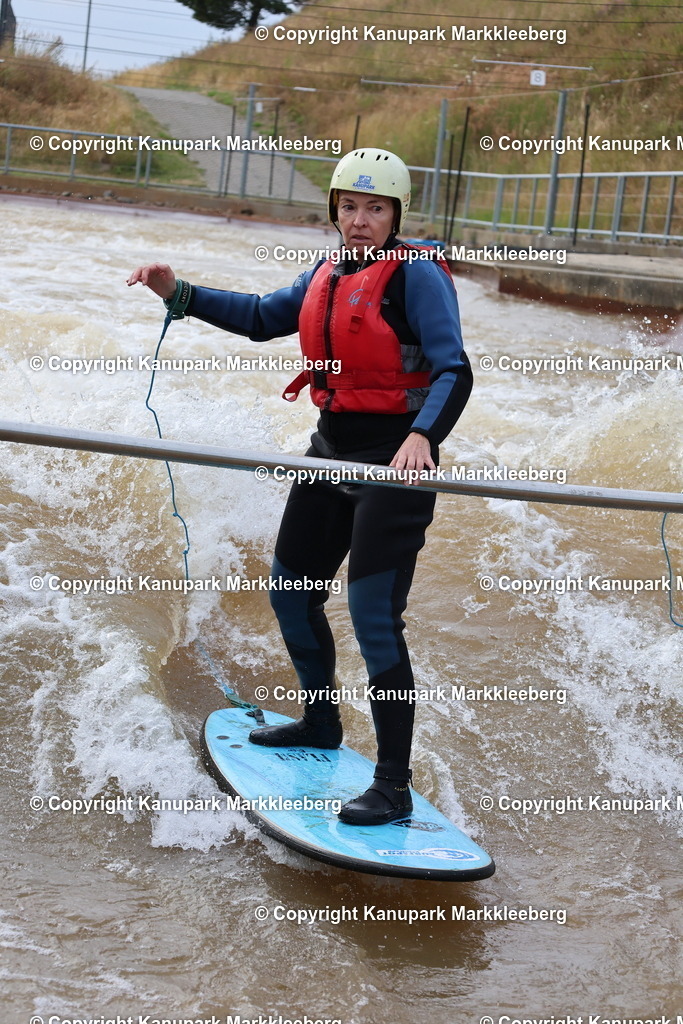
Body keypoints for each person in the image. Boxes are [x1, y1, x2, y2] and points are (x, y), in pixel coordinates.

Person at [128, 148, 472, 826]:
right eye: (348, 207)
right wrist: (179, 293)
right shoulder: (324, 272)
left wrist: (422, 437)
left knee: (376, 623)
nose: (360, 220)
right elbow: (260, 317)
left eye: (375, 209)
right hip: (329, 452)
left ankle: (393, 785)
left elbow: (453, 368)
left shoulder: (416, 277)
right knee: (289, 592)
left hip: (393, 464)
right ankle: (320, 724)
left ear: (396, 215)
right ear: (334, 211)